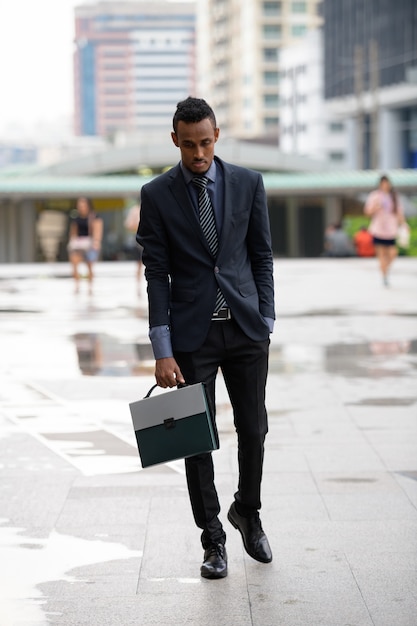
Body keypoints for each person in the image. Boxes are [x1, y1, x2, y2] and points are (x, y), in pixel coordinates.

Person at [137, 97, 275, 580]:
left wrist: (267, 318)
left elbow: (261, 256)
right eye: (190, 144)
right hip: (193, 337)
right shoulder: (156, 194)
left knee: (254, 430)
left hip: (245, 330)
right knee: (199, 440)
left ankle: (248, 511)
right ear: (175, 139)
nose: (199, 154)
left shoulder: (248, 183)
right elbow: (156, 273)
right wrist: (163, 348)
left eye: (207, 143)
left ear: (217, 136)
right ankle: (212, 539)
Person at [364, 174, 406, 286]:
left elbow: (399, 212)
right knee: (381, 254)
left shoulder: (394, 196)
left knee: (393, 253)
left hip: (391, 229)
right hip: (378, 228)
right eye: (383, 183)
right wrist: (375, 207)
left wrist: (404, 224)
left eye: (387, 183)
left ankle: (385, 269)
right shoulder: (374, 196)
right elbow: (367, 212)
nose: (385, 185)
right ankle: (384, 276)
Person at [68, 197, 103, 294]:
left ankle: (90, 287)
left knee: (89, 265)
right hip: (78, 244)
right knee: (74, 263)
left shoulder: (94, 217)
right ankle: (77, 285)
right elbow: (73, 231)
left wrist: (96, 242)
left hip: (89, 244)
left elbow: (97, 230)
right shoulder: (76, 218)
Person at [124, 204, 144, 287]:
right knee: (139, 262)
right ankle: (138, 284)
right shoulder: (135, 210)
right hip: (140, 238)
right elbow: (129, 225)